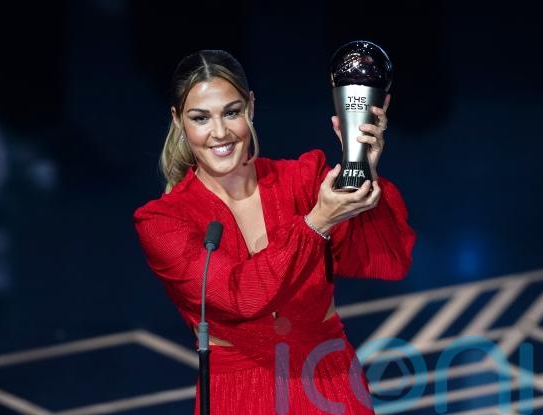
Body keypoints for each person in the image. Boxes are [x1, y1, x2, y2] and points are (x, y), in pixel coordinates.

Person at [133, 49, 415, 415]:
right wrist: (316, 223)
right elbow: (239, 298)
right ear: (177, 120)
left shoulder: (303, 180)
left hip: (328, 380)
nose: (219, 132)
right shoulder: (163, 221)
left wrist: (360, 167)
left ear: (251, 107)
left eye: (231, 112)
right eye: (200, 118)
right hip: (238, 394)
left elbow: (387, 259)